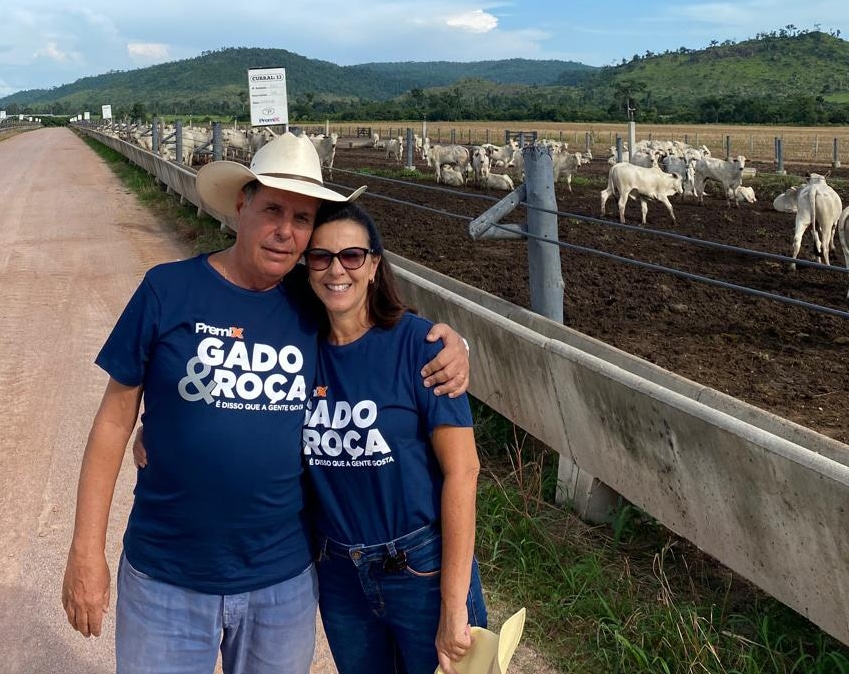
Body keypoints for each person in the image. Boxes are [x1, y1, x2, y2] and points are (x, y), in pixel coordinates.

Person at [61, 131, 470, 674]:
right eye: (273, 209)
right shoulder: (167, 290)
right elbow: (113, 423)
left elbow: (375, 336)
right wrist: (86, 551)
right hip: (166, 575)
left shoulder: (311, 306)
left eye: (302, 219)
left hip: (282, 583)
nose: (286, 231)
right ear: (241, 203)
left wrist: (458, 345)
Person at [300, 201, 487, 674]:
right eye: (320, 257)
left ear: (374, 265)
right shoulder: (296, 351)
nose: (335, 269)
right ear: (307, 266)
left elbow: (463, 471)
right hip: (339, 570)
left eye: (352, 256)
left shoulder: (420, 346)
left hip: (420, 566)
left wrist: (453, 604)